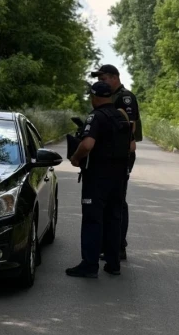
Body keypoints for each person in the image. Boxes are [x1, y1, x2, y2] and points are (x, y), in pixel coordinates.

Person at [65, 81, 131, 278]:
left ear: (94, 97)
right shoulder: (121, 116)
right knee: (113, 218)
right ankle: (113, 264)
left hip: (98, 176)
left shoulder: (96, 116)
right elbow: (130, 147)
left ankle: (90, 264)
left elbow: (87, 144)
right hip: (119, 176)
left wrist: (76, 158)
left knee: (93, 219)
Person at [91, 64, 141, 260]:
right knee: (110, 199)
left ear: (114, 78)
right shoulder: (111, 96)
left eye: (103, 79)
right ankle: (111, 244)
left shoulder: (124, 97)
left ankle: (118, 245)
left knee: (118, 201)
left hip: (121, 154)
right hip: (110, 154)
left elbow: (130, 126)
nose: (100, 82)